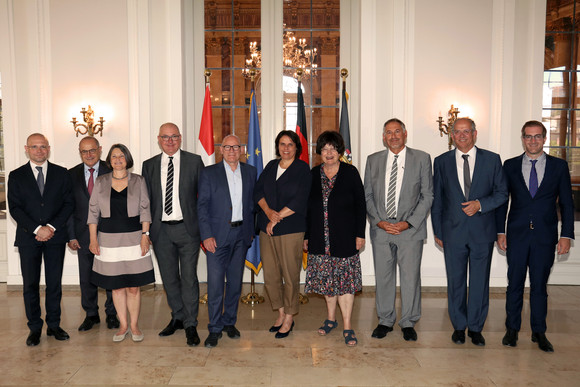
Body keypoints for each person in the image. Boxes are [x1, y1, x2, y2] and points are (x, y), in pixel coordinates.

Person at [496, 120, 574, 353]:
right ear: (523, 139)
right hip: (516, 235)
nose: (533, 141)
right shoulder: (509, 166)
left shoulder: (558, 167)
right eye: (528, 137)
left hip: (545, 236)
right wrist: (500, 231)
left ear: (544, 138)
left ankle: (539, 332)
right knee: (515, 284)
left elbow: (568, 204)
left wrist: (566, 235)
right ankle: (512, 329)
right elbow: (502, 202)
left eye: (537, 136)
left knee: (540, 286)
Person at [431, 117, 507, 346]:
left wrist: (480, 205)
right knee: (455, 281)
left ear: (475, 133)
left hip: (482, 231)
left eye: (467, 131)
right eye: (457, 131)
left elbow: (502, 193)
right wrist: (437, 231)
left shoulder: (492, 160)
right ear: (451, 135)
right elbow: (438, 199)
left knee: (479, 281)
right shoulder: (441, 161)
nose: (462, 135)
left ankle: (475, 327)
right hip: (452, 232)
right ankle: (459, 326)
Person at [364, 119, 433, 342]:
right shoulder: (373, 160)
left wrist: (408, 223)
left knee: (410, 277)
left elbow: (427, 195)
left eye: (397, 132)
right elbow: (368, 195)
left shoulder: (421, 158)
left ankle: (408, 321)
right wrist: (378, 221)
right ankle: (385, 320)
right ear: (383, 137)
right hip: (382, 229)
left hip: (409, 230)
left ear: (405, 134)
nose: (393, 136)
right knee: (383, 277)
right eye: (388, 133)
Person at [8, 133, 74, 346]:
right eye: (34, 147)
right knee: (30, 285)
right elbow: (15, 208)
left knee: (54, 283)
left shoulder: (61, 173)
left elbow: (68, 204)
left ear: (48, 148)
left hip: (55, 237)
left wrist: (51, 227)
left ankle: (54, 325)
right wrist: (37, 228)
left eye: (43, 147)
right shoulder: (16, 175)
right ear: (26, 149)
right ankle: (34, 327)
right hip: (29, 238)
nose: (39, 151)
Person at [141, 122, 204, 346]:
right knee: (169, 279)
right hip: (161, 231)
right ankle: (177, 316)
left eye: (174, 136)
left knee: (188, 278)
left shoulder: (194, 162)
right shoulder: (148, 165)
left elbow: (203, 198)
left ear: (180, 138)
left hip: (188, 230)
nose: (170, 141)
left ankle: (190, 324)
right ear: (158, 139)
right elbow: (145, 202)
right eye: (165, 137)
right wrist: (145, 231)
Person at [304, 131, 365, 347]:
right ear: (319, 152)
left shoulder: (350, 172)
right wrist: (306, 236)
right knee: (327, 283)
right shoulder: (312, 174)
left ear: (339, 151)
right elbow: (307, 209)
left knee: (345, 284)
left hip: (345, 237)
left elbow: (361, 205)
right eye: (324, 149)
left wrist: (360, 234)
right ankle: (331, 319)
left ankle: (348, 326)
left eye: (333, 148)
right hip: (319, 239)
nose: (329, 153)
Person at [88, 144, 154, 342]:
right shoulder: (100, 182)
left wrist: (145, 235)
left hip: (134, 238)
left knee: (134, 286)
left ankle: (134, 325)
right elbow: (92, 213)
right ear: (109, 160)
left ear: (127, 159)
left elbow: (145, 210)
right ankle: (122, 325)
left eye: (121, 156)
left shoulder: (139, 180)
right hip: (108, 240)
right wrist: (93, 239)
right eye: (114, 156)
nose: (118, 159)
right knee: (116, 286)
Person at [198, 135, 257, 348]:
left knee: (234, 283)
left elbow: (252, 204)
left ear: (241, 150)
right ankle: (214, 328)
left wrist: (250, 231)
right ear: (221, 150)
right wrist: (206, 236)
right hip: (216, 237)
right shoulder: (209, 173)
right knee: (215, 285)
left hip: (241, 236)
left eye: (236, 147)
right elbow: (202, 206)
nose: (232, 150)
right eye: (227, 147)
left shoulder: (250, 172)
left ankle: (229, 322)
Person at [254, 130, 311, 338]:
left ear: (297, 147)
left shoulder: (302, 169)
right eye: (282, 144)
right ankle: (279, 313)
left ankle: (289, 316)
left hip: (291, 229)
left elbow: (300, 199)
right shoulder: (270, 166)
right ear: (277, 147)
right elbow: (257, 192)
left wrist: (276, 218)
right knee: (270, 275)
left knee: (290, 274)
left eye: (290, 144)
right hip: (266, 229)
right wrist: (269, 214)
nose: (286, 148)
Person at [67, 136, 119, 331]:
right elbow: (69, 208)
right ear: (80, 153)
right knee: (86, 276)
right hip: (82, 234)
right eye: (84, 151)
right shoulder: (71, 175)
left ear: (100, 149)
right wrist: (71, 235)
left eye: (92, 150)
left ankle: (112, 314)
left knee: (110, 276)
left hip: (109, 233)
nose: (88, 154)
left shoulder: (113, 171)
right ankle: (91, 314)